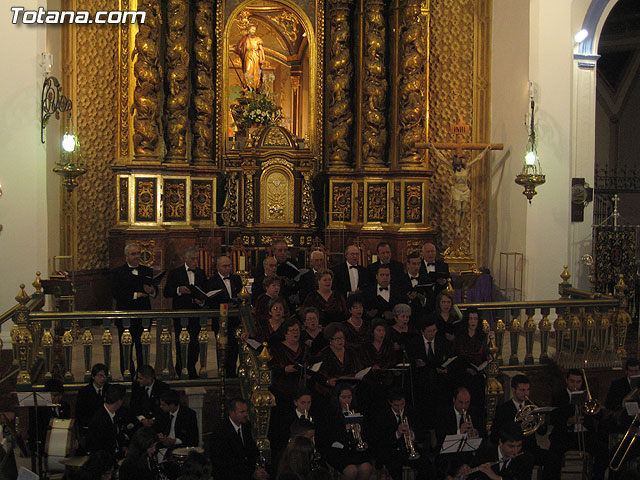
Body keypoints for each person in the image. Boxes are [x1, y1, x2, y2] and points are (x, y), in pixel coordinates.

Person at [490, 374, 561, 480]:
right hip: (511, 449)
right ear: (513, 390)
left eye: (527, 390)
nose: (526, 393)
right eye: (522, 390)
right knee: (524, 461)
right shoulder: (503, 409)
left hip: (530, 448)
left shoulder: (534, 407)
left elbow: (542, 432)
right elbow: (495, 434)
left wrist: (541, 422)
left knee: (553, 459)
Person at [549, 369, 608, 480]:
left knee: (603, 451)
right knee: (553, 456)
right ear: (567, 381)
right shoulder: (559, 396)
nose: (575, 385)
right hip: (565, 435)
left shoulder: (588, 396)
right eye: (572, 381)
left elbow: (599, 417)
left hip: (585, 434)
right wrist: (569, 421)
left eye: (578, 382)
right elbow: (554, 418)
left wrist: (595, 408)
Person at [111, 242, 157, 375]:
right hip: (126, 316)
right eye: (133, 254)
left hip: (143, 316)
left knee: (143, 349)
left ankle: (143, 375)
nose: (137, 256)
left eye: (138, 253)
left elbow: (154, 292)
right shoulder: (118, 272)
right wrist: (136, 294)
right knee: (126, 349)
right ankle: (127, 375)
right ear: (126, 256)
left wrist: (152, 290)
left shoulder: (147, 271)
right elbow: (116, 293)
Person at [163, 246, 208, 379]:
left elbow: (205, 292)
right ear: (185, 259)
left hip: (196, 314)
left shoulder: (200, 273)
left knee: (196, 344)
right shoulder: (175, 273)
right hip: (181, 314)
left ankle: (191, 367)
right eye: (192, 259)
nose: (195, 261)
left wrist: (202, 301)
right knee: (181, 341)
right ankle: (182, 368)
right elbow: (166, 292)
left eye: (197, 259)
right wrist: (178, 290)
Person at [369, 389, 433, 480]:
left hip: (408, 451)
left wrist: (412, 435)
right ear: (390, 403)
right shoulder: (382, 415)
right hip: (390, 452)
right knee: (395, 468)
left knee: (427, 466)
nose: (400, 408)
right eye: (396, 405)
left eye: (402, 404)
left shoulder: (411, 411)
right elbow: (380, 440)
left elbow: (422, 432)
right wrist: (397, 434)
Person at [315, 383, 373, 480]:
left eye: (349, 397)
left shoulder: (357, 410)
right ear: (337, 398)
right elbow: (327, 436)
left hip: (355, 450)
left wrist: (359, 428)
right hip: (338, 451)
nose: (347, 400)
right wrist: (344, 429)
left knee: (366, 468)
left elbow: (368, 432)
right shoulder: (330, 414)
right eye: (343, 397)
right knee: (351, 470)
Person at [407, 318, 453, 428]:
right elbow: (414, 363)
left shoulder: (442, 342)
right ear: (423, 331)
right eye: (429, 331)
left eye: (434, 330)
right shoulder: (414, 344)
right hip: (422, 383)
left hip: (439, 382)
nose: (432, 333)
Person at [209, 397, 268, 480]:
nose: (246, 415)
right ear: (232, 413)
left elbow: (252, 451)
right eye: (242, 412)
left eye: (246, 411)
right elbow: (226, 462)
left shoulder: (246, 426)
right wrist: (252, 473)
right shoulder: (221, 431)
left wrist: (259, 469)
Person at [207, 255, 244, 377]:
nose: (228, 268)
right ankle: (222, 371)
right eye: (225, 266)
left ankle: (232, 372)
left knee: (234, 347)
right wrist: (224, 305)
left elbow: (241, 294)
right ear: (218, 267)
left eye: (230, 266)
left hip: (234, 319)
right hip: (220, 320)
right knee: (222, 347)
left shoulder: (236, 279)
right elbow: (210, 300)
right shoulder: (212, 281)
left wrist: (236, 302)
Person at [28, 378, 70, 471]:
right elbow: (35, 429)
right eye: (54, 395)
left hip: (62, 438)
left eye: (60, 395)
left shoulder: (65, 406)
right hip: (45, 439)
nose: (57, 398)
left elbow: (69, 424)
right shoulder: (38, 408)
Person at [466, 424, 534, 480]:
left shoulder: (526, 458)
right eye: (511, 446)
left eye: (519, 446)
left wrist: (497, 478)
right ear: (501, 442)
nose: (516, 451)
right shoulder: (484, 454)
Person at [435, 387, 485, 457]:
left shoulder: (475, 412)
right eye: (460, 402)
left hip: (469, 454)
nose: (464, 406)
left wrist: (476, 433)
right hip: (449, 455)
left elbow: (484, 435)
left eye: (467, 402)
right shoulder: (443, 413)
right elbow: (440, 438)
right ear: (454, 400)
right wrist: (459, 432)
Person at [453, 308, 488, 408]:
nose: (473, 321)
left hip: (477, 373)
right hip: (463, 372)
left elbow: (483, 355)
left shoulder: (481, 336)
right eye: (471, 318)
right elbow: (458, 354)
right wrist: (467, 368)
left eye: (475, 319)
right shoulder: (461, 336)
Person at [315, 323, 361, 398]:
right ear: (330, 340)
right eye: (337, 339)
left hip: (350, 387)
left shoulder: (350, 351)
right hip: (331, 390)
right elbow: (319, 375)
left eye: (342, 338)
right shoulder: (323, 354)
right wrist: (327, 381)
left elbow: (358, 369)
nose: (340, 341)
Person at [86, 384, 128, 459]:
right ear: (119, 401)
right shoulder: (99, 419)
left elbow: (119, 435)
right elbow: (100, 447)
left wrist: (124, 446)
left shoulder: (118, 413)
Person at [129, 364, 169, 428]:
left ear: (149, 378)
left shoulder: (162, 387)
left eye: (140, 378)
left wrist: (153, 420)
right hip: (140, 423)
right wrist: (142, 419)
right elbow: (133, 406)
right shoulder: (136, 386)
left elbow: (165, 409)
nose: (138, 380)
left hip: (158, 423)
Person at [76, 363, 110, 433]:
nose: (103, 379)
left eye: (105, 376)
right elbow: (80, 414)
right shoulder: (84, 392)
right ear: (93, 376)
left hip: (106, 426)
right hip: (90, 427)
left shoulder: (109, 389)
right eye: (100, 376)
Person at [419, 242, 449, 311]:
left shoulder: (443, 265)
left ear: (435, 252)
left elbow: (450, 281)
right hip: (423, 300)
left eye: (432, 251)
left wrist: (444, 282)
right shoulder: (418, 265)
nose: (430, 254)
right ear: (423, 253)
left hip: (439, 300)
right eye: (428, 252)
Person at [234, 23, 265, 90]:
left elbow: (261, 49)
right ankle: (248, 86)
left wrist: (262, 58)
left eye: (254, 30)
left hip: (256, 56)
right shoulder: (245, 39)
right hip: (248, 56)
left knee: (256, 72)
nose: (253, 31)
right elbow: (239, 47)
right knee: (248, 70)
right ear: (249, 30)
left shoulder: (258, 39)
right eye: (252, 29)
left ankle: (255, 87)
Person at [401, 252, 429, 324]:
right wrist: (408, 298)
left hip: (422, 317)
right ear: (408, 265)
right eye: (414, 264)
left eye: (418, 264)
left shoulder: (426, 279)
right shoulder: (401, 280)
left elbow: (431, 299)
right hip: (405, 318)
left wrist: (423, 299)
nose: (416, 267)